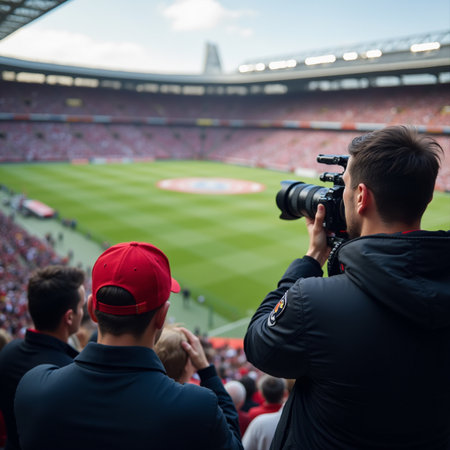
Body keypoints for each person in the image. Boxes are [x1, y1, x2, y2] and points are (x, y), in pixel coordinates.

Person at [244, 126, 450, 449]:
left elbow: (258, 344)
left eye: (345, 187)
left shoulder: (313, 303)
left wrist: (311, 260)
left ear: (361, 196)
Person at [15, 241, 243, 450]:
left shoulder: (33, 387)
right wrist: (207, 373)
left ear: (92, 309)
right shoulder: (197, 407)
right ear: (162, 316)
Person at [0, 265, 85, 450]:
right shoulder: (72, 372)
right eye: (81, 307)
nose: (83, 312)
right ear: (69, 317)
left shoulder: (7, 354)